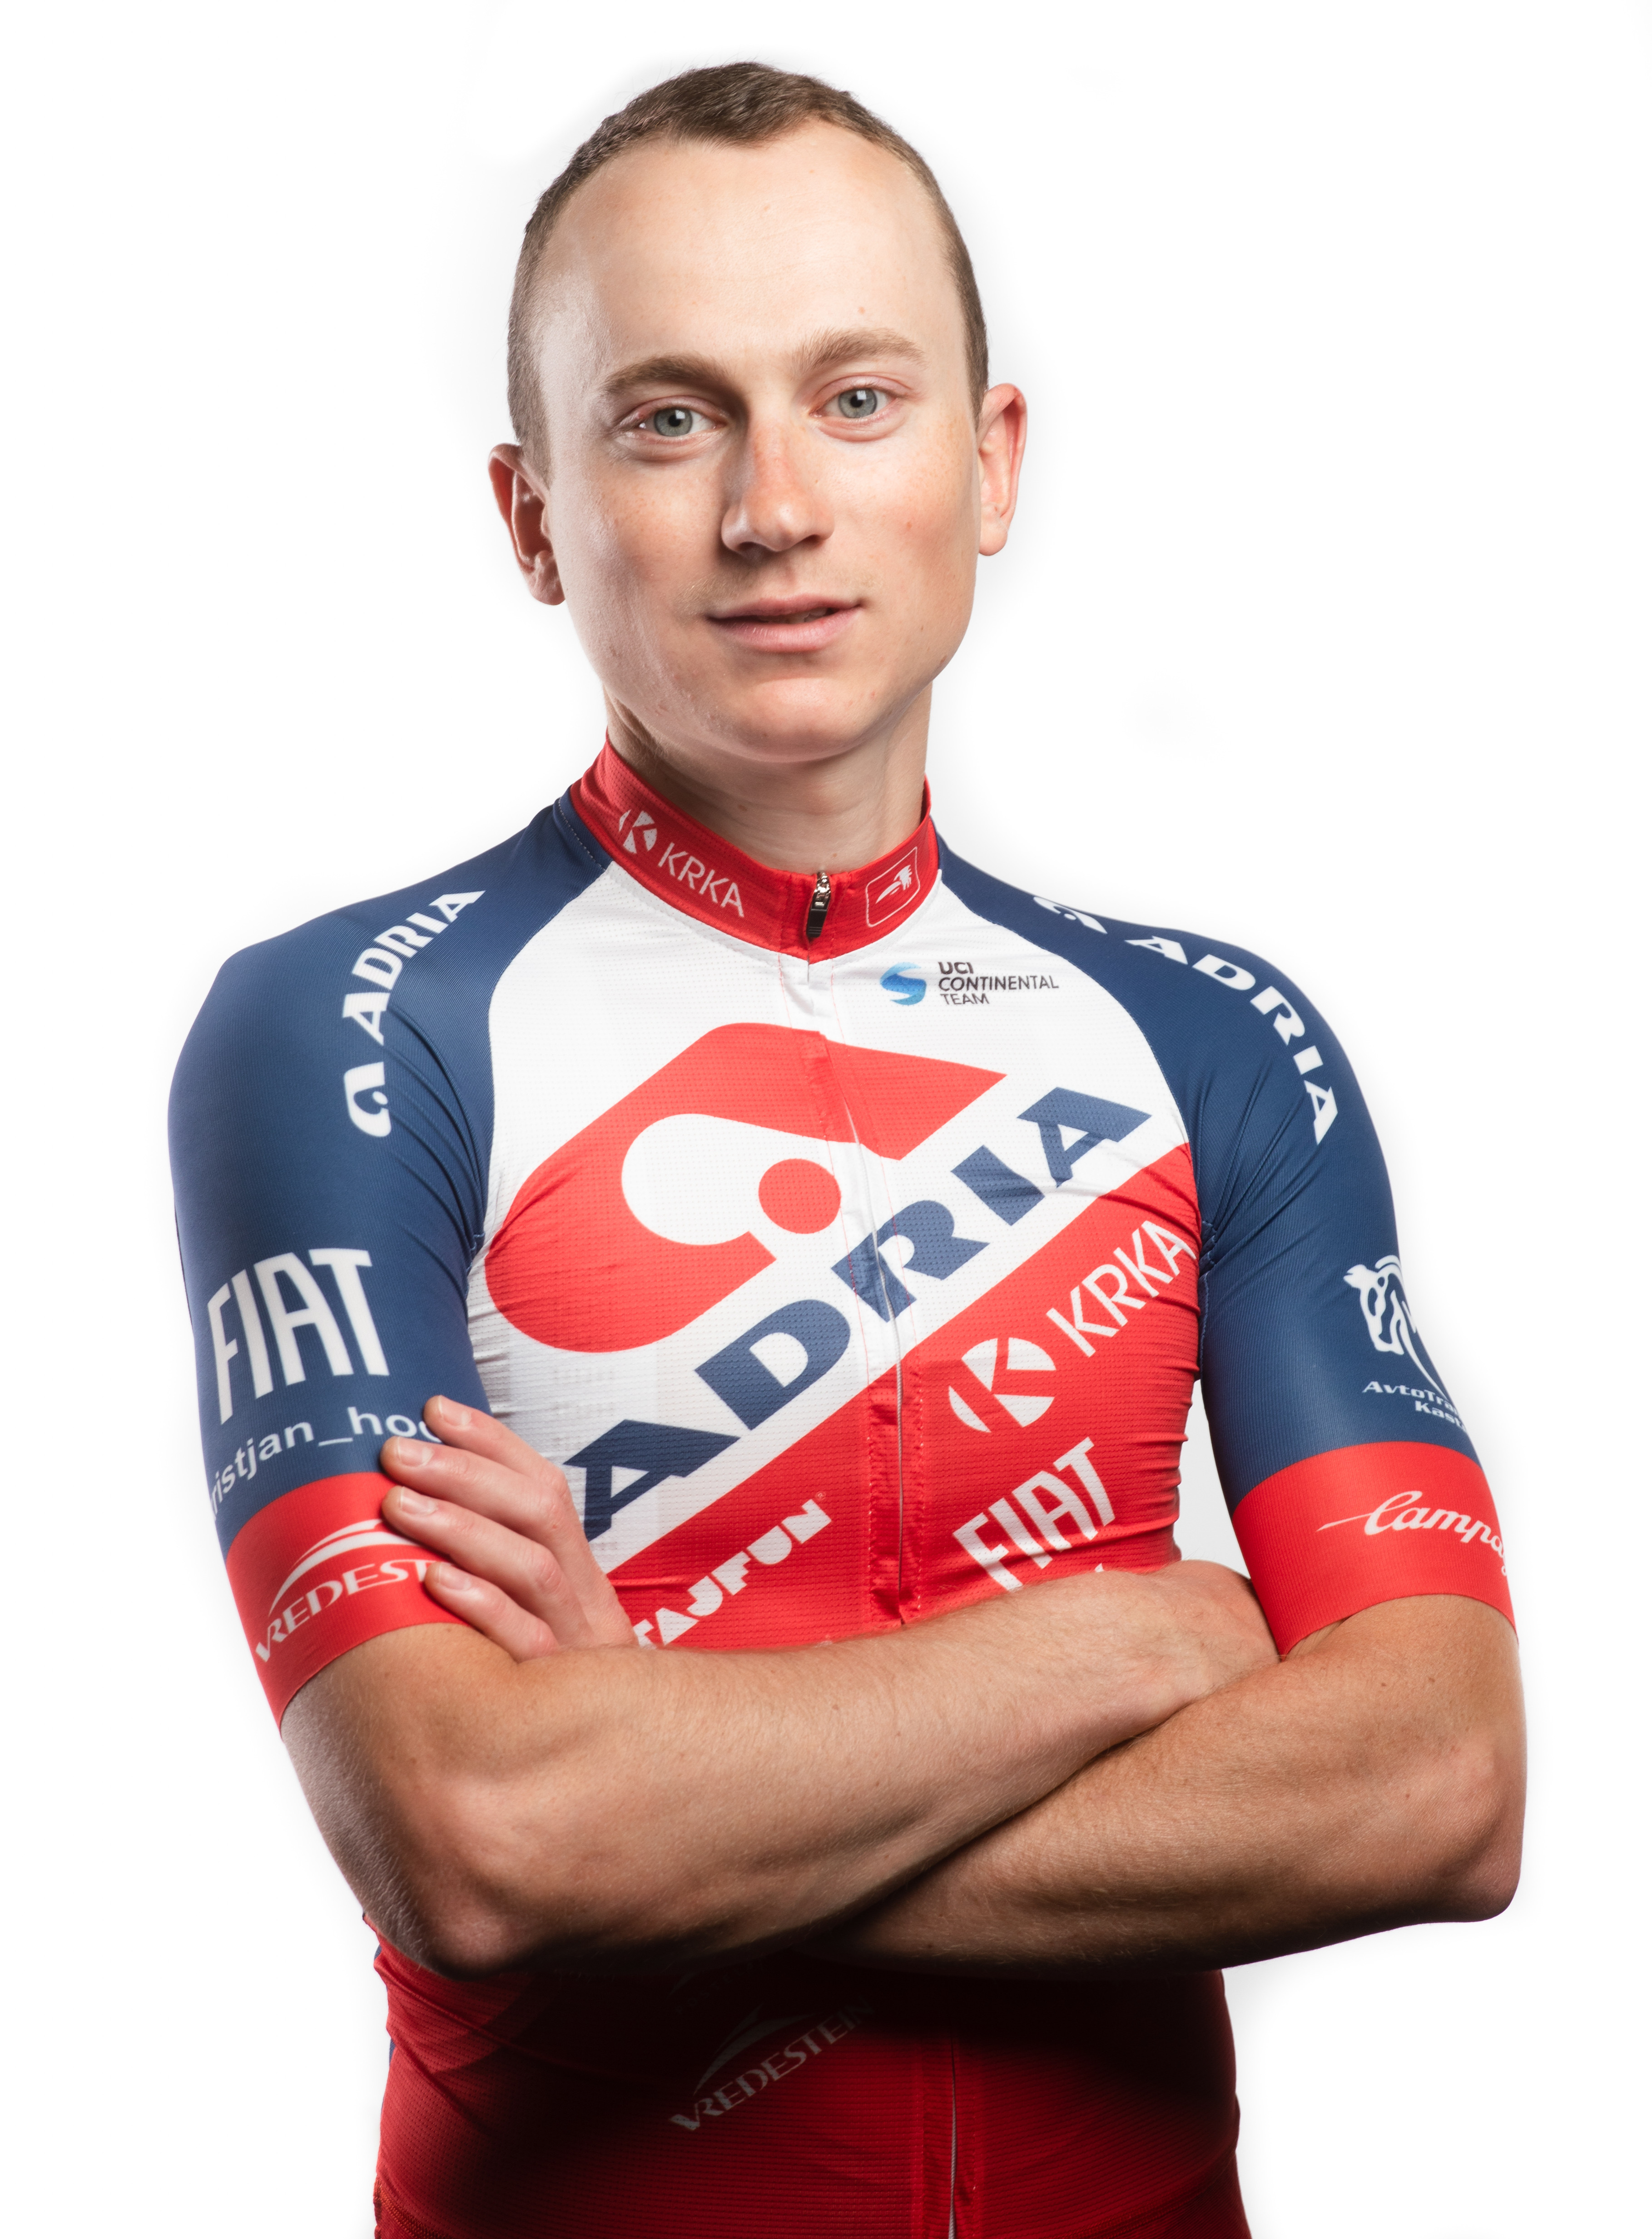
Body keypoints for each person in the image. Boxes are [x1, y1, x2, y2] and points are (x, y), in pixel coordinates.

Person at [168, 61, 1524, 2239]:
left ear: (990, 465)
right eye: (668, 418)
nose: (774, 505)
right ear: (532, 514)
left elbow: (1437, 1782)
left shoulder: (1218, 1038)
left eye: (859, 399)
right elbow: (481, 1835)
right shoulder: (349, 1031)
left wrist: (664, 1778)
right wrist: (1143, 1638)